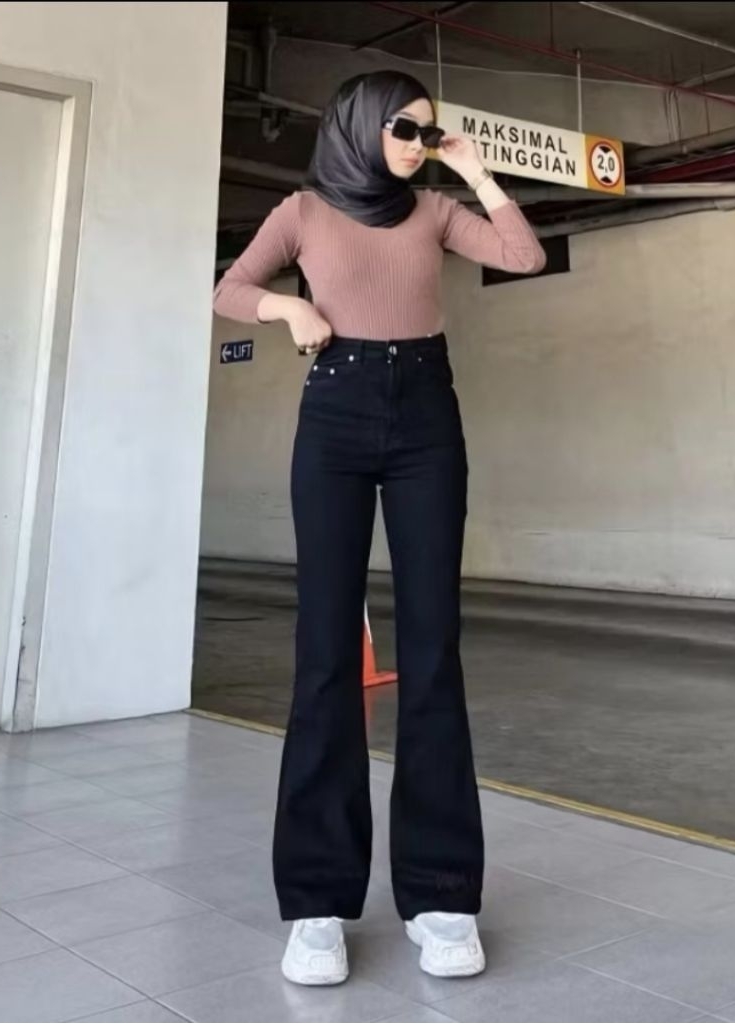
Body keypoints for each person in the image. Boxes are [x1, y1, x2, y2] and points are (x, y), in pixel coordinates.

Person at [212, 70, 546, 986]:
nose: (416, 144)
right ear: (359, 124)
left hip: (426, 414)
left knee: (434, 648)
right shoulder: (304, 211)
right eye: (405, 128)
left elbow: (522, 257)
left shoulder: (433, 210)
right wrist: (289, 306)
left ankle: (441, 895)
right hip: (336, 412)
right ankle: (318, 903)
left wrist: (472, 171)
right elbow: (230, 289)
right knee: (324, 652)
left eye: (428, 132)